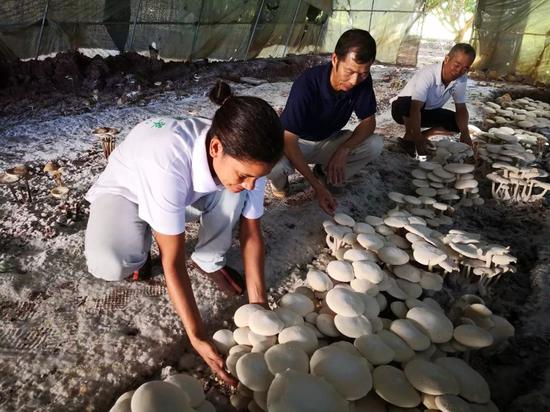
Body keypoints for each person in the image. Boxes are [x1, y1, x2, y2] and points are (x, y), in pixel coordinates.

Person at [84, 81, 284, 385]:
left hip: (181, 195)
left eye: (257, 178)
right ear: (215, 147)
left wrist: (259, 306)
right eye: (246, 175)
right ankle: (141, 239)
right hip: (129, 193)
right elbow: (172, 262)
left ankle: (208, 258)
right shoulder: (169, 161)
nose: (252, 184)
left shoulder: (244, 158)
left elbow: (251, 233)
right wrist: (197, 334)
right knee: (111, 262)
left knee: (234, 192)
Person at [267, 29, 384, 215]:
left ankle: (323, 172)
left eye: (362, 73)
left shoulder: (362, 80)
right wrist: (316, 188)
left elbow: (369, 122)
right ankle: (281, 184)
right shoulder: (307, 83)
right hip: (296, 143)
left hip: (327, 141)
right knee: (273, 166)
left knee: (374, 145)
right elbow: (288, 139)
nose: (355, 80)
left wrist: (343, 150)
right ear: (335, 59)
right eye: (350, 71)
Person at [391, 43, 476, 157]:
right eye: (456, 65)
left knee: (459, 123)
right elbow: (415, 108)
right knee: (407, 103)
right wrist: (417, 139)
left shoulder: (461, 78)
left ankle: (425, 134)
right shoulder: (428, 74)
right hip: (403, 110)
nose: (459, 71)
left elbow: (461, 108)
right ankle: (411, 136)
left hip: (428, 112)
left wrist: (465, 134)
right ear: (446, 59)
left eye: (465, 68)